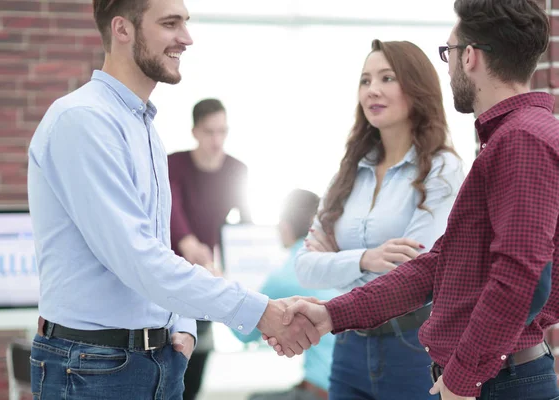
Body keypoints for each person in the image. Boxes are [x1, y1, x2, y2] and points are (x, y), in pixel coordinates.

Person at [26, 0, 319, 398]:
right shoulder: (83, 121)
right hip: (94, 367)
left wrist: (181, 325)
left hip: (154, 360)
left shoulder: (144, 129)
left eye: (185, 22)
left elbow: (159, 248)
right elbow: (137, 259)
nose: (187, 37)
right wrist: (261, 312)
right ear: (122, 29)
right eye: (170, 23)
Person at [271, 1, 559, 399]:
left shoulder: (521, 140)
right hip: (492, 377)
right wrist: (332, 314)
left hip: (499, 381)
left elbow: (521, 278)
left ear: (469, 56)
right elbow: (437, 266)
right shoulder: (509, 139)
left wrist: (463, 377)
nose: (449, 65)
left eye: (449, 52)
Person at [293, 39, 464, 400]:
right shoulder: (350, 171)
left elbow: (416, 269)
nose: (373, 90)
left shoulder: (441, 168)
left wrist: (334, 260)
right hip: (348, 344)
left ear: (416, 87)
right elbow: (305, 267)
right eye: (365, 80)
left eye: (387, 78)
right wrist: (366, 258)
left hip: (414, 346)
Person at [168, 98, 251, 400]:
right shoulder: (173, 164)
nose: (217, 140)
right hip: (171, 275)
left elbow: (243, 228)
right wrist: (188, 242)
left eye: (222, 131)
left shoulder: (236, 169)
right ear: (195, 132)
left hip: (207, 278)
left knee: (196, 367)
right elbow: (171, 212)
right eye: (209, 132)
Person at [231, 189, 338, 400]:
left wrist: (224, 285)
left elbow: (243, 333)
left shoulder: (288, 272)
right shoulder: (341, 260)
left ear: (284, 226)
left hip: (325, 392)